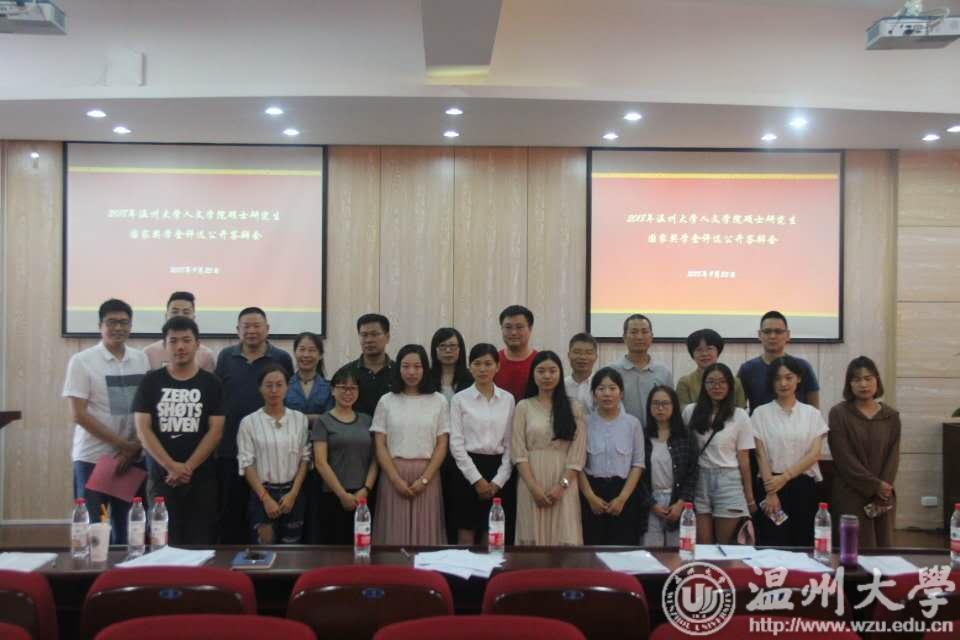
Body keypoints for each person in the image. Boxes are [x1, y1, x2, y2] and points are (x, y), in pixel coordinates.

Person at [63, 298, 149, 544]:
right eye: (112, 322)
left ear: (131, 326)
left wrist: (133, 447)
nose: (118, 327)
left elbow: (145, 409)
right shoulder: (82, 361)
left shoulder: (141, 359)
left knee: (130, 531)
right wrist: (124, 446)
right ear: (100, 326)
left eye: (124, 322)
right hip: (93, 458)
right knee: (95, 530)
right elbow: (78, 414)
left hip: (132, 459)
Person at [133, 316, 223, 545]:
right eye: (173, 341)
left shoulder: (212, 383)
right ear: (164, 345)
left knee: (200, 543)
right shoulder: (151, 381)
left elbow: (216, 431)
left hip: (201, 479)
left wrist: (187, 467)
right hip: (162, 478)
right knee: (162, 544)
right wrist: (171, 466)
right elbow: (143, 429)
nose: (180, 346)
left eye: (186, 340)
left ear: (197, 344)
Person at [214, 307, 294, 543]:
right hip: (230, 449)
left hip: (269, 452)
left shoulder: (281, 358)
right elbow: (218, 398)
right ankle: (230, 562)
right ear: (237, 330)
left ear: (267, 329)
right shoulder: (226, 357)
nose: (251, 331)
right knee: (231, 514)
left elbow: (287, 399)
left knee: (265, 518)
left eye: (256, 326)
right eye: (246, 326)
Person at [370, 344, 449, 545]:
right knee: (394, 534)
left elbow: (442, 444)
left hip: (427, 475)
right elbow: (380, 444)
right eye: (405, 366)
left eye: (417, 366)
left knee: (425, 535)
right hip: (393, 474)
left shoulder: (439, 401)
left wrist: (424, 480)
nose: (411, 372)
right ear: (398, 369)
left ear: (425, 368)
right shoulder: (386, 401)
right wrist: (395, 479)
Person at [751, 356, 828, 547]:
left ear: (798, 378)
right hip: (771, 486)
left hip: (803, 487)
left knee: (803, 544)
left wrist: (784, 478)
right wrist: (771, 491)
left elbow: (814, 454)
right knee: (771, 545)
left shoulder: (812, 414)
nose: (783, 383)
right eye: (777, 378)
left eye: (788, 377)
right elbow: (760, 454)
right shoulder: (760, 413)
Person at [512, 351, 586, 545]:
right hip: (530, 482)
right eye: (541, 371)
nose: (547, 376)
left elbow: (577, 455)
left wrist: (562, 486)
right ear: (533, 374)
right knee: (531, 540)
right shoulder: (523, 407)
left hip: (564, 482)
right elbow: (518, 452)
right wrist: (534, 488)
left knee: (564, 538)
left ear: (560, 373)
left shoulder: (574, 407)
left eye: (552, 371)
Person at [828, 356, 900, 548]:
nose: (863, 384)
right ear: (849, 384)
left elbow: (893, 456)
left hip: (882, 496)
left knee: (883, 551)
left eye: (868, 378)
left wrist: (883, 489)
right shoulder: (839, 413)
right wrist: (874, 485)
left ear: (877, 380)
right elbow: (843, 457)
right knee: (852, 549)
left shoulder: (891, 416)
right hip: (850, 492)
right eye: (857, 379)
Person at [448, 343, 516, 545]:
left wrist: (498, 481)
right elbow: (456, 444)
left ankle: (492, 568)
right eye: (477, 364)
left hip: (498, 471)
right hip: (466, 471)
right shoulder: (459, 399)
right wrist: (476, 480)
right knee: (466, 532)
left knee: (493, 532)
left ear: (498, 366)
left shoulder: (508, 399)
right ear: (470, 367)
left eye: (488, 364)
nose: (483, 369)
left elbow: (511, 444)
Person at [238, 365, 311, 544]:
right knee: (264, 551)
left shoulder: (300, 419)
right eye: (268, 385)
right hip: (262, 494)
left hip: (293, 494)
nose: (274, 390)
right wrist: (265, 498)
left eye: (279, 385)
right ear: (260, 388)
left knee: (293, 551)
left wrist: (293, 494)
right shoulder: (249, 422)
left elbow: (305, 459)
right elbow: (247, 464)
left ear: (287, 387)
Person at [684, 363, 756, 544]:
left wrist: (749, 497)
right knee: (702, 546)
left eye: (722, 382)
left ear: (730, 385)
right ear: (703, 385)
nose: (717, 386)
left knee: (728, 547)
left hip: (728, 480)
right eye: (711, 382)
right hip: (698, 480)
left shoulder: (740, 415)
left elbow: (744, 459)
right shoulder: (690, 411)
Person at [310, 367, 378, 544]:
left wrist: (366, 489)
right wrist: (342, 494)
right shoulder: (323, 421)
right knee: (334, 549)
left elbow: (375, 459)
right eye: (343, 388)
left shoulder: (367, 420)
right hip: (333, 495)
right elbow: (320, 462)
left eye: (353, 388)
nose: (348, 392)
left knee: (362, 546)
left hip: (363, 495)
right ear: (333, 390)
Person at [578, 367, 644, 545]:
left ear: (621, 394)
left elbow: (638, 464)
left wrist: (622, 498)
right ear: (594, 394)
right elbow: (577, 464)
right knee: (591, 549)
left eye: (612, 388)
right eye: (601, 389)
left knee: (623, 549)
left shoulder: (633, 424)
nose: (607, 394)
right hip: (592, 492)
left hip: (623, 493)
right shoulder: (584, 423)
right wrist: (590, 497)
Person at [638, 385, 699, 547]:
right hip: (651, 503)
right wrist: (652, 504)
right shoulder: (642, 436)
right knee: (652, 553)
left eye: (665, 403)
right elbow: (638, 476)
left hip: (679, 502)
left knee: (679, 553)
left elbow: (693, 473)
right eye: (655, 403)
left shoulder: (686, 435)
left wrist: (681, 503)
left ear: (674, 406)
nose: (660, 408)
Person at [737, 311, 820, 413]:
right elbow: (738, 409)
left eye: (778, 331)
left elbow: (814, 408)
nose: (772, 336)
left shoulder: (802, 366)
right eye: (767, 331)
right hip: (759, 422)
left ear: (787, 335)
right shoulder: (747, 369)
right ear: (759, 335)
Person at [610, 314, 672, 426]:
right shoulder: (612, 372)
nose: (639, 337)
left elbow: (671, 408)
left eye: (644, 332)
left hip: (656, 433)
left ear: (651, 337)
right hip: (623, 433)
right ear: (624, 337)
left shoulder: (663, 372)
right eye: (634, 332)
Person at [143, 291, 217, 372]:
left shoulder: (206, 355)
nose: (180, 316)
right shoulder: (148, 353)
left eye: (186, 312)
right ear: (166, 316)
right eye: (175, 312)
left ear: (193, 318)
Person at [336, 313, 393, 417]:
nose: (369, 340)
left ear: (387, 337)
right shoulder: (346, 372)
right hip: (355, 427)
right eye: (364, 335)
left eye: (375, 334)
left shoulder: (399, 371)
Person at [676, 329, 746, 409]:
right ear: (692, 354)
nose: (704, 354)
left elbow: (741, 411)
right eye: (699, 349)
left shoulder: (735, 382)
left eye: (709, 348)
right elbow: (683, 413)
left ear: (718, 351)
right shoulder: (685, 383)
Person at [285, 331, 333, 422]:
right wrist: (314, 418)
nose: (306, 355)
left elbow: (330, 420)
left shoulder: (329, 387)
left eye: (312, 350)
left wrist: (298, 419)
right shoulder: (284, 385)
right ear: (295, 352)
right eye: (302, 349)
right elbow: (280, 417)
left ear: (320, 355)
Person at [494, 305, 538, 403]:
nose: (513, 332)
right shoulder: (492, 361)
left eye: (519, 327)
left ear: (530, 328)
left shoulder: (540, 362)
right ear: (501, 328)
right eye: (508, 327)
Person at [429, 327, 474, 402]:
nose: (448, 350)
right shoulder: (426, 378)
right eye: (442, 346)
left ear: (460, 349)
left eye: (452, 345)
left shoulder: (471, 378)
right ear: (435, 350)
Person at [565, 333, 598, 413]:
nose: (583, 357)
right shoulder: (562, 385)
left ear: (596, 357)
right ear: (569, 355)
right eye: (577, 352)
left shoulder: (601, 385)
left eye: (588, 353)